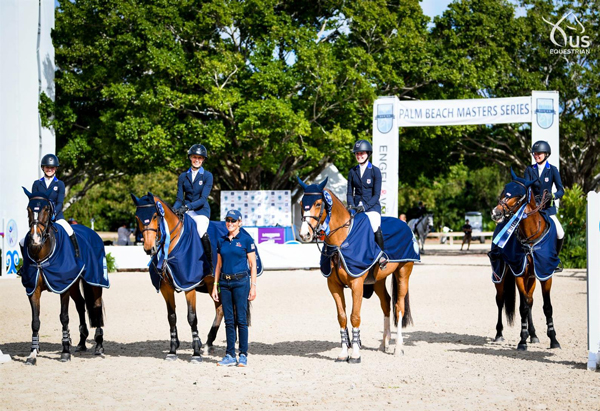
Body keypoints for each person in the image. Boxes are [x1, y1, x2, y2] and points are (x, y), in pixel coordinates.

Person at [211, 210, 257, 367]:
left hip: (241, 283)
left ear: (240, 222)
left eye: (233, 220)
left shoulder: (246, 239)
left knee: (241, 320)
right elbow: (218, 265)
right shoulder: (221, 240)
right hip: (224, 283)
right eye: (228, 220)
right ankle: (230, 355)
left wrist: (253, 286)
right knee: (229, 321)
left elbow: (252, 265)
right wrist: (215, 286)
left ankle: (243, 354)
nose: (230, 223)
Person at [21, 154, 80, 257]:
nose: (49, 169)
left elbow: (60, 203)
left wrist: (53, 214)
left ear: (56, 168)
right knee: (22, 242)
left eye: (52, 167)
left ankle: (76, 255)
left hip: (56, 216)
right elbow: (35, 203)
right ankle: (25, 264)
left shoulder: (59, 184)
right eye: (47, 167)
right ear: (43, 168)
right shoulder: (37, 184)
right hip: (41, 219)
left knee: (70, 231)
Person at [346, 139, 387, 269]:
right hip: (356, 208)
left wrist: (365, 207)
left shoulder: (375, 171)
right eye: (357, 154)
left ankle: (381, 255)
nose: (359, 156)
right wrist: (352, 206)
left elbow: (376, 195)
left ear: (368, 154)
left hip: (372, 208)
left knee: (375, 226)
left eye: (362, 153)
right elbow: (349, 192)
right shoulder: (352, 172)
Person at [173, 144, 214, 270]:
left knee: (201, 232)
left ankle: (210, 264)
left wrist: (186, 207)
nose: (197, 160)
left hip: (201, 211)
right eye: (195, 157)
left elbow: (203, 199)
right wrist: (173, 210)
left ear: (203, 160)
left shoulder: (207, 176)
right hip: (187, 211)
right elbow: (179, 198)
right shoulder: (183, 176)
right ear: (190, 157)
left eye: (200, 158)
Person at [523, 140, 565, 264]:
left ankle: (554, 259)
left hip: (548, 209)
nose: (536, 156)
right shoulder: (529, 170)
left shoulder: (552, 170)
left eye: (539, 153)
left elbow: (561, 190)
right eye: (534, 154)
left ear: (546, 154)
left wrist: (553, 196)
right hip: (532, 209)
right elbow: (526, 188)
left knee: (560, 232)